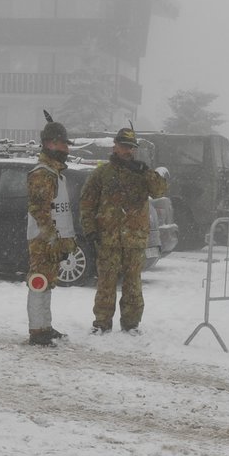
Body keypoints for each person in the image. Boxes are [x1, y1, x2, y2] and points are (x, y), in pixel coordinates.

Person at [79, 126, 168, 334]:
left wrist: (146, 171)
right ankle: (102, 323)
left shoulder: (141, 173)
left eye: (131, 147)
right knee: (106, 284)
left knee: (133, 285)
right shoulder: (102, 173)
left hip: (134, 240)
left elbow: (160, 191)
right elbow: (87, 203)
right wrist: (90, 229)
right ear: (115, 147)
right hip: (108, 238)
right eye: (124, 146)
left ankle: (131, 324)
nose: (128, 151)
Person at [24, 119, 76, 346]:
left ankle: (44, 325)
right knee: (39, 282)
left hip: (52, 240)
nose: (67, 149)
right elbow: (39, 210)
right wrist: (51, 238)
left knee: (47, 282)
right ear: (50, 144)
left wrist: (64, 240)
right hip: (43, 240)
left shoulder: (55, 174)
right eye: (64, 144)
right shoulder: (42, 174)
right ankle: (37, 330)